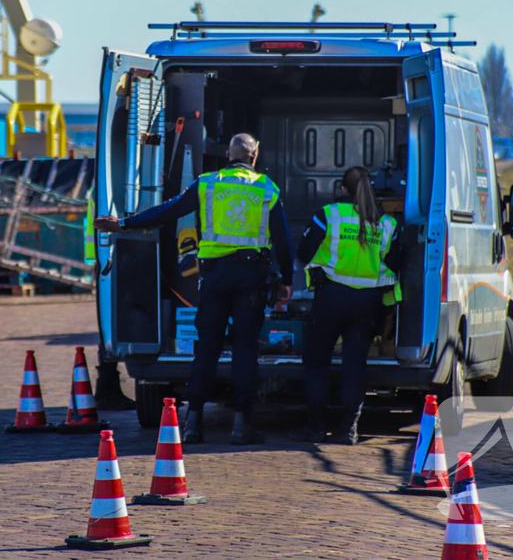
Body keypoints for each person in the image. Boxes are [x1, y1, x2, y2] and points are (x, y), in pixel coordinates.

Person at [94, 133, 293, 445]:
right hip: (250, 277)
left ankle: (193, 424)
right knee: (245, 348)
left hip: (214, 276)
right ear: (254, 157)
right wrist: (288, 280)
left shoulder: (207, 183)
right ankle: (242, 425)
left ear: (228, 154)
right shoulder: (267, 188)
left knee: (207, 347)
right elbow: (282, 240)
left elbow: (168, 211)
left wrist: (125, 224)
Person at [291, 166, 401, 445]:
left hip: (331, 298)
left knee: (316, 361)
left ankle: (316, 427)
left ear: (343, 190)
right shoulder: (387, 224)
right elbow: (398, 263)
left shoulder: (329, 215)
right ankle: (349, 429)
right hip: (368, 303)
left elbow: (303, 252)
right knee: (355, 365)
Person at [86, 195, 136, 411]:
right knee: (110, 324)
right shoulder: (103, 191)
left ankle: (107, 388)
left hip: (104, 257)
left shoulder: (96, 185)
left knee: (108, 324)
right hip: (109, 258)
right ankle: (107, 390)